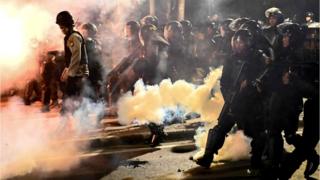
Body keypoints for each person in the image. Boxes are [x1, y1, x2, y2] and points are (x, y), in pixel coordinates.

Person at [194, 30, 268, 169]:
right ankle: (208, 156)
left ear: (248, 42)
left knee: (255, 132)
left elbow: (265, 74)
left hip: (251, 101)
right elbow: (224, 82)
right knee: (220, 128)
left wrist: (252, 83)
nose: (237, 45)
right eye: (235, 42)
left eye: (241, 42)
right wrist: (229, 96)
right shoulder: (231, 59)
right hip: (233, 99)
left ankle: (256, 160)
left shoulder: (258, 57)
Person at [56, 11, 89, 114]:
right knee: (74, 99)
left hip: (77, 73)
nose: (62, 30)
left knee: (69, 99)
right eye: (60, 27)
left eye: (63, 27)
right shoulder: (70, 36)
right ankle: (80, 123)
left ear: (68, 25)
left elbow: (76, 57)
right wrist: (66, 70)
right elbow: (71, 58)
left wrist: (69, 73)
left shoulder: (73, 37)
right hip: (76, 72)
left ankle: (64, 123)